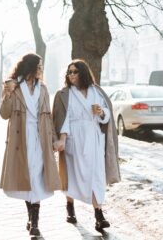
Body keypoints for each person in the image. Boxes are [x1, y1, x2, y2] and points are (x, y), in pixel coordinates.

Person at [52, 59, 121, 232]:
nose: (72, 75)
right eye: (69, 72)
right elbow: (63, 119)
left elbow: (106, 115)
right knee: (73, 176)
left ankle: (99, 215)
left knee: (96, 176)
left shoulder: (96, 91)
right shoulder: (64, 94)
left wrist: (101, 112)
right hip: (74, 139)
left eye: (75, 71)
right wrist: (62, 139)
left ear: (83, 72)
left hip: (94, 138)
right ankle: (70, 207)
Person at [0, 53, 60, 236]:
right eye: (39, 66)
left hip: (40, 138)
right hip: (21, 140)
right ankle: (31, 218)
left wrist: (54, 139)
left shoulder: (43, 89)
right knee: (28, 178)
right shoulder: (15, 87)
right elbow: (4, 114)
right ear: (30, 68)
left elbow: (48, 117)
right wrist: (7, 95)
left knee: (36, 177)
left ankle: (34, 222)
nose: (41, 69)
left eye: (42, 66)